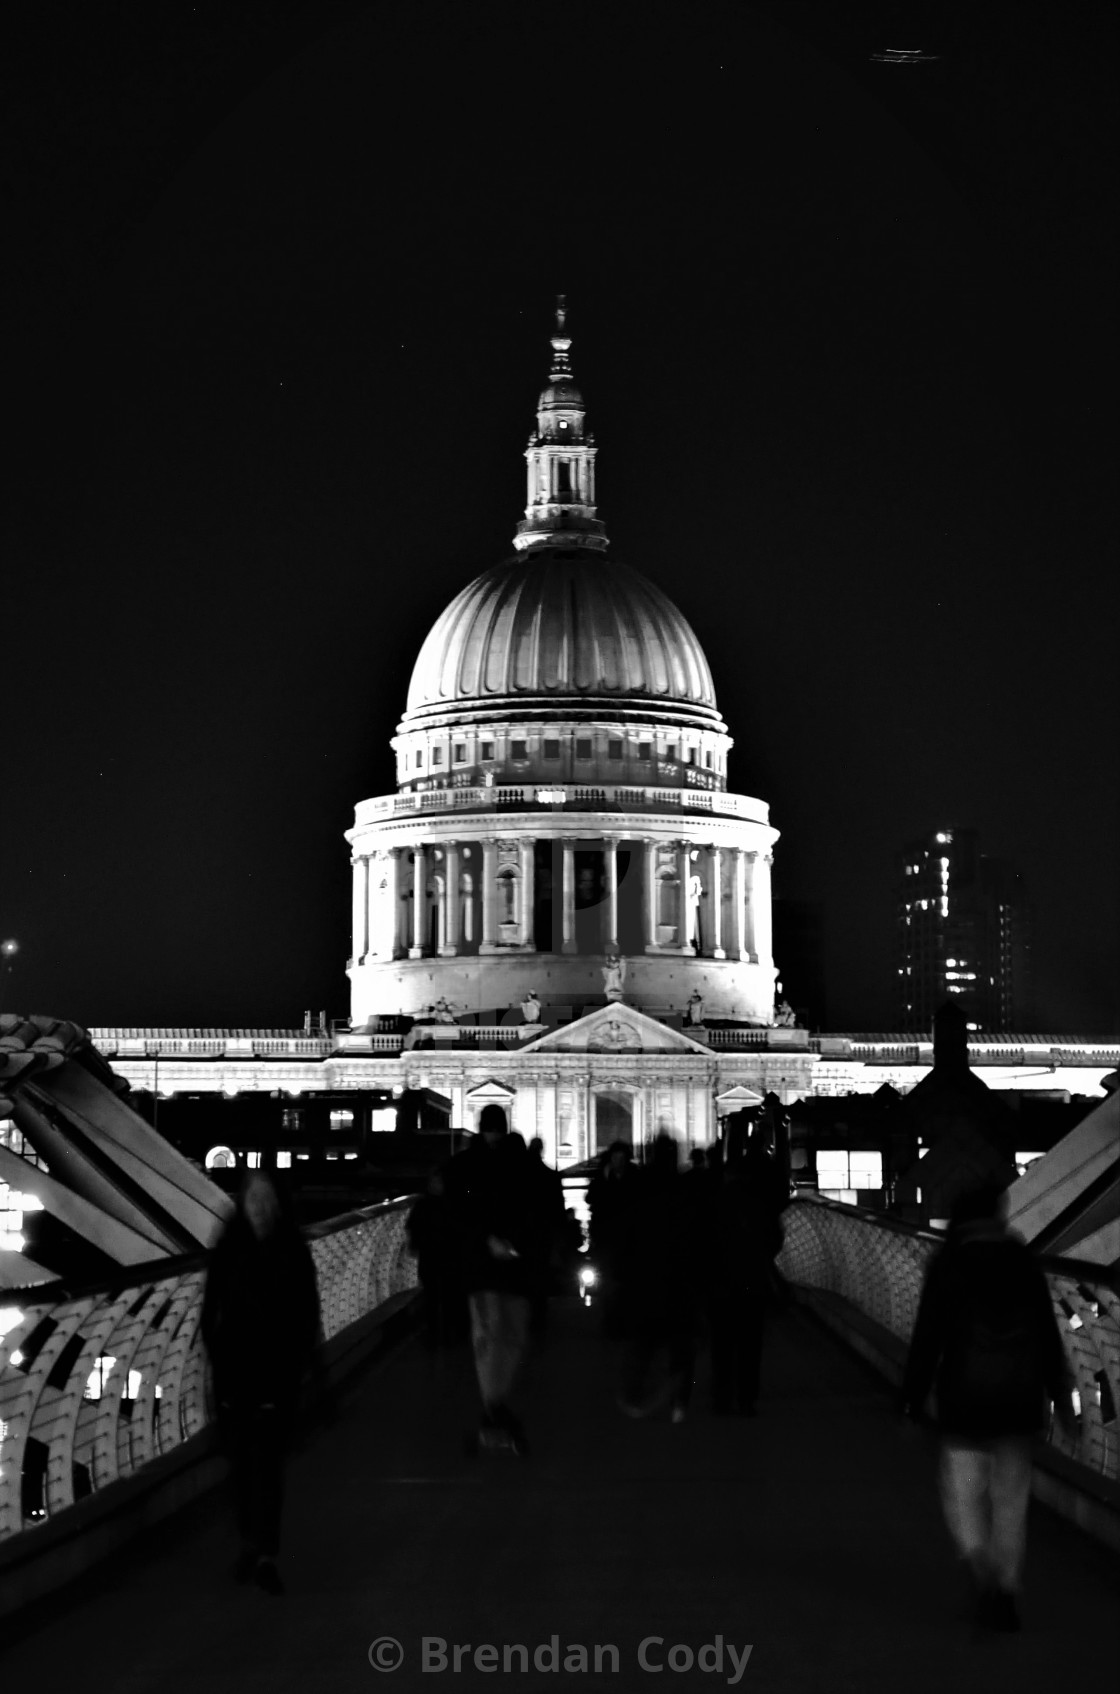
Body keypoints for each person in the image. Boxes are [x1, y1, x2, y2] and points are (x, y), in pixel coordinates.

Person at [900, 1182, 1074, 1632]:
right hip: (1018, 1403)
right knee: (1011, 1501)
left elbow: (928, 1338)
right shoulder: (1023, 1262)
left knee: (963, 1494)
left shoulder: (949, 1263)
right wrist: (1061, 1399)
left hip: (965, 1402)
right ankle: (1008, 1584)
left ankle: (983, 1574)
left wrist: (910, 1401)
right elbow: (1048, 1339)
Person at [201, 1170, 321, 1595]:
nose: (260, 1207)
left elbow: (308, 1311)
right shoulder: (230, 1250)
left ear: (278, 1204)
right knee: (240, 1467)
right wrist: (215, 1357)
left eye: (267, 1200)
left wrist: (303, 1364)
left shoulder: (291, 1249)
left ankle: (265, 1551)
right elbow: (210, 1311)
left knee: (267, 1466)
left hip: (276, 1373)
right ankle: (251, 1542)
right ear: (244, 1203)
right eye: (255, 1200)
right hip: (235, 1372)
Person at [447, 1105, 539, 1450]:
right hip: (498, 1266)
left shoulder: (468, 1166)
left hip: (496, 1264)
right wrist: (499, 1241)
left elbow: (459, 1212)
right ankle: (495, 1404)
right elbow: (461, 1212)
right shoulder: (518, 1166)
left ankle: (494, 1403)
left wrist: (498, 1240)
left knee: (498, 1335)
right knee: (499, 1335)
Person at [616, 1134, 704, 1423]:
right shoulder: (687, 1188)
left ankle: (634, 1394)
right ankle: (681, 1401)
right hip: (681, 1277)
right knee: (683, 1347)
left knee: (642, 1343)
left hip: (645, 1280)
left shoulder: (636, 1188)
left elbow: (625, 1236)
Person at [704, 1135, 787, 1417]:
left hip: (721, 1284)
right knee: (750, 1343)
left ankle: (721, 1398)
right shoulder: (761, 1203)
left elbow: (702, 1243)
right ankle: (747, 1398)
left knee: (722, 1343)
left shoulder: (715, 1202)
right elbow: (775, 1239)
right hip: (752, 1281)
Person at [405, 1166, 467, 1349]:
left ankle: (435, 1333)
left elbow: (412, 1227)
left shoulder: (422, 1205)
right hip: (445, 1256)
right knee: (444, 1294)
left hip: (431, 1255)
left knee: (434, 1295)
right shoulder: (452, 1204)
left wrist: (414, 1245)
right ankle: (445, 1332)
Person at [587, 1140, 638, 1337]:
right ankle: (610, 1320)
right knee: (608, 1282)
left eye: (621, 1157)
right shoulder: (602, 1175)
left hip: (627, 1240)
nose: (619, 1161)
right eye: (615, 1157)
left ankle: (622, 1320)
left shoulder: (634, 1175)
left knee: (624, 1282)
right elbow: (591, 1199)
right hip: (607, 1240)